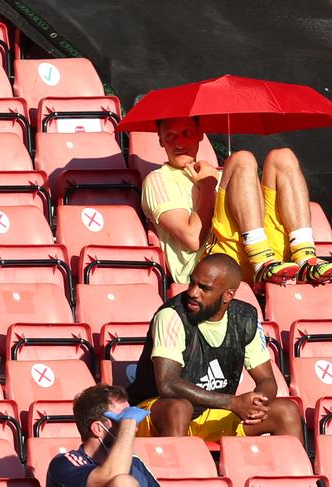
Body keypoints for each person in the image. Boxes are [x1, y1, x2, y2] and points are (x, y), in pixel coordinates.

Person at [127, 254, 303, 443]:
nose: (193, 292)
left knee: (286, 411)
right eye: (192, 283)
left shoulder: (245, 318)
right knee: (179, 408)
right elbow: (167, 384)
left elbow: (268, 380)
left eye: (204, 288)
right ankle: (177, 471)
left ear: (228, 295)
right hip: (157, 413)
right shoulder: (171, 315)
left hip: (213, 412)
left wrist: (257, 402)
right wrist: (232, 403)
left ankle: (296, 472)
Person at [141, 116, 332, 286]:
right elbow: (192, 239)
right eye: (170, 136)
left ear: (200, 134)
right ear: (160, 140)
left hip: (253, 251)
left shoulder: (217, 174)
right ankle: (261, 261)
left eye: (186, 133)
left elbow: (257, 213)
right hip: (212, 265)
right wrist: (208, 185)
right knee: (242, 159)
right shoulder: (157, 179)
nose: (179, 142)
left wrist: (213, 179)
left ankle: (306, 258)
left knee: (283, 156)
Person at [46, 384, 159, 487]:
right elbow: (112, 476)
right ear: (98, 429)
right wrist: (128, 423)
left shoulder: (135, 463)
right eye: (123, 419)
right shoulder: (64, 464)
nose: (134, 428)